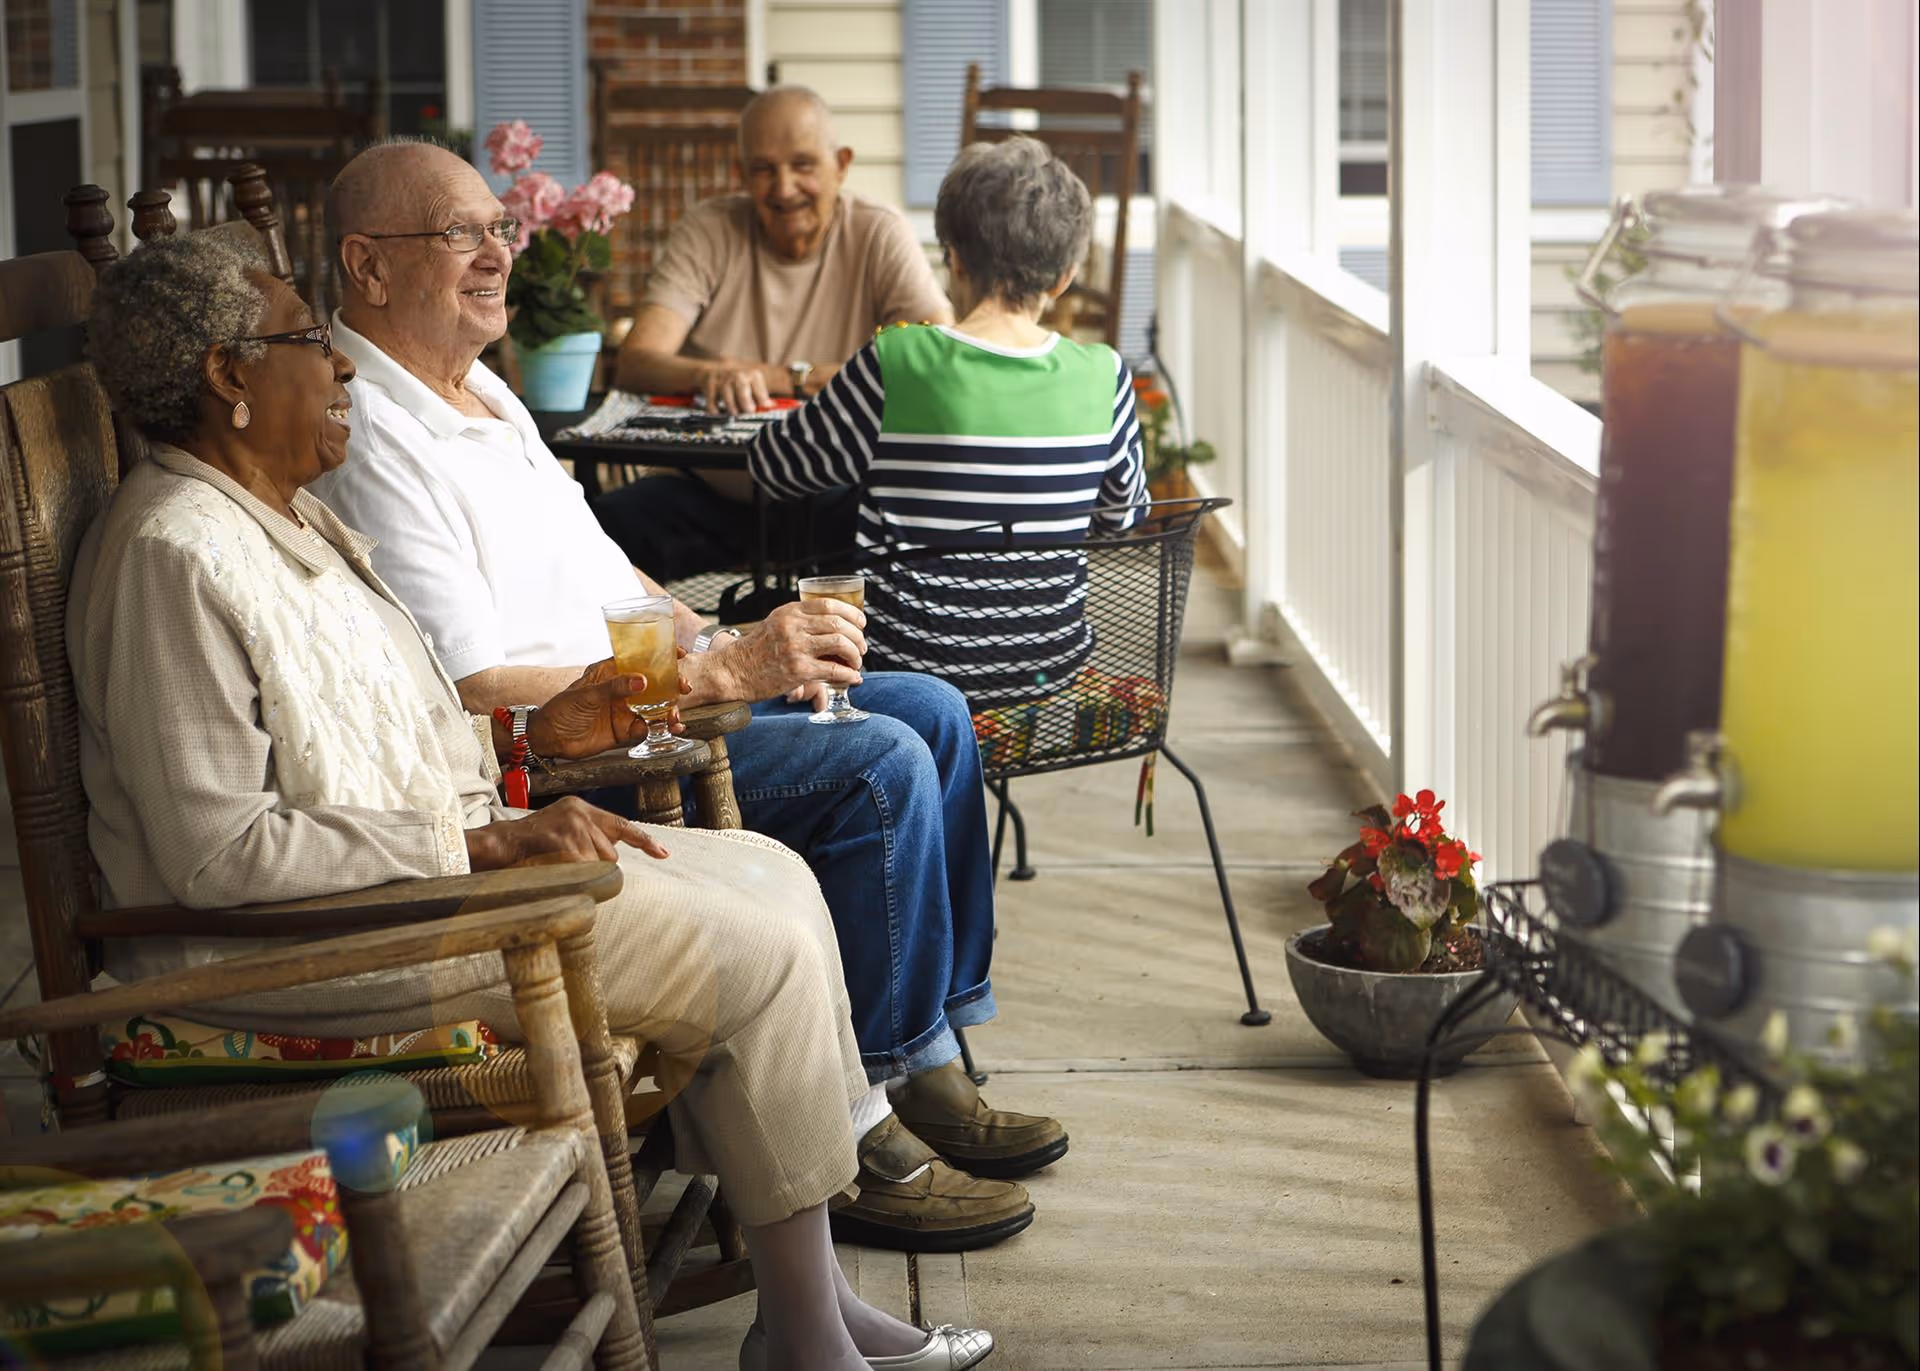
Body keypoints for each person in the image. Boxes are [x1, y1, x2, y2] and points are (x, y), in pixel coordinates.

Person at [74, 233, 993, 1370]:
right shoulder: (175, 556)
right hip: (335, 942)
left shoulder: (289, 524)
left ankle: (806, 1308)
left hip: (426, 889)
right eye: (310, 342)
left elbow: (393, 728)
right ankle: (806, 1331)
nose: (344, 368)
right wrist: (479, 840)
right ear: (227, 376)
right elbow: (221, 859)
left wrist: (530, 743)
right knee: (754, 945)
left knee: (776, 875)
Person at [312, 139, 1065, 1254]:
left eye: (498, 229)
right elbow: (479, 691)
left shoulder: (481, 394)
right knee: (879, 764)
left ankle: (928, 1055)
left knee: (931, 710)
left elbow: (610, 572)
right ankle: (858, 1133)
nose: (494, 256)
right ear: (368, 269)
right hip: (593, 750)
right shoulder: (373, 434)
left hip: (662, 694)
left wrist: (720, 637)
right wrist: (715, 676)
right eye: (459, 233)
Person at [748, 137, 1148, 707]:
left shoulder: (898, 360)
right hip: (1045, 670)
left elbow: (777, 470)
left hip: (909, 670)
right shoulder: (1105, 374)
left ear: (953, 257)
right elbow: (1122, 517)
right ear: (1065, 276)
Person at [595, 85, 956, 584]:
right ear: (741, 175)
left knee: (913, 534)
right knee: (598, 533)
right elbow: (638, 359)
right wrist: (710, 372)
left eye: (803, 165)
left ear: (842, 164)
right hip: (714, 496)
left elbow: (940, 359)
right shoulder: (707, 229)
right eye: (763, 169)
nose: (783, 188)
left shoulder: (878, 231)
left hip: (839, 496)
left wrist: (781, 376)